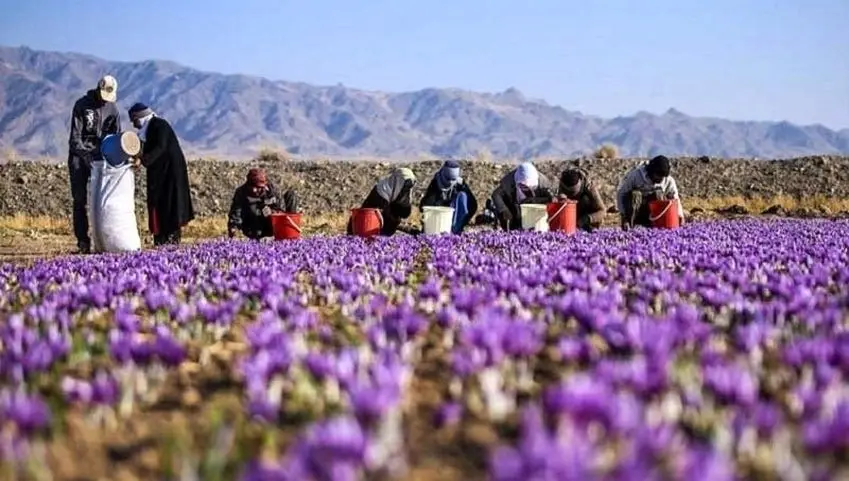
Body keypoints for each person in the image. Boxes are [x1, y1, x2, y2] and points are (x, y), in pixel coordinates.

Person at [67, 75, 122, 254]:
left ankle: (105, 240)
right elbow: (75, 138)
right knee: (80, 199)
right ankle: (83, 241)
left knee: (104, 201)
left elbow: (116, 138)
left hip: (101, 160)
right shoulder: (82, 105)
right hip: (79, 159)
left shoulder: (113, 109)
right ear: (98, 89)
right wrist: (86, 156)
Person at [128, 103, 195, 246]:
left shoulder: (159, 125)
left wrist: (143, 160)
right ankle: (161, 239)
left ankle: (171, 239)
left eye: (135, 121)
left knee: (170, 206)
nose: (134, 125)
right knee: (160, 205)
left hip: (170, 174)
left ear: (141, 118)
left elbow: (160, 147)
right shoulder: (151, 128)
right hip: (160, 174)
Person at [616, 155, 684, 230]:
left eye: (662, 176)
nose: (660, 178)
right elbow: (621, 193)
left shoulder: (668, 180)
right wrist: (623, 216)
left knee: (659, 193)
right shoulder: (636, 175)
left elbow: (675, 198)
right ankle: (631, 225)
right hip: (636, 210)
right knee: (635, 194)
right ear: (652, 170)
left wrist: (679, 215)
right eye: (658, 175)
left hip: (655, 213)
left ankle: (657, 225)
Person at [228, 168, 299, 240]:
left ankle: (286, 236)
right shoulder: (241, 192)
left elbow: (282, 210)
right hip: (251, 227)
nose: (254, 190)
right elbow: (235, 215)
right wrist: (234, 230)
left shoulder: (272, 190)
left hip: (271, 226)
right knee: (253, 210)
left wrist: (272, 213)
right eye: (252, 186)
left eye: (258, 187)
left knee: (292, 195)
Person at [347, 168, 417, 236]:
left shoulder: (396, 192)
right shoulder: (381, 191)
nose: (405, 189)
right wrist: (407, 229)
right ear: (399, 181)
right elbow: (384, 219)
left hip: (377, 229)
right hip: (364, 230)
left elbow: (403, 212)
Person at [419, 161, 478, 234]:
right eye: (448, 179)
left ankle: (455, 231)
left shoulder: (460, 184)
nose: (450, 182)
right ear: (443, 175)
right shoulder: (436, 183)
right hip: (438, 221)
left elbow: (473, 205)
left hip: (455, 220)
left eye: (453, 180)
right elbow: (425, 206)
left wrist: (464, 221)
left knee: (462, 196)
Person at [490, 162, 554, 231]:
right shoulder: (508, 182)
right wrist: (503, 210)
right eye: (524, 187)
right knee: (509, 222)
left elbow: (549, 199)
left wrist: (534, 200)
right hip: (513, 208)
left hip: (534, 213)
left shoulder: (542, 182)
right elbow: (496, 195)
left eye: (530, 188)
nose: (526, 190)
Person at [556, 168, 606, 232]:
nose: (571, 195)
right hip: (571, 217)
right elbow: (560, 197)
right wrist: (564, 200)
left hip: (587, 216)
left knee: (585, 199)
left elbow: (603, 211)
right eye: (568, 192)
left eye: (572, 193)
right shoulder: (564, 181)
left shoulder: (589, 186)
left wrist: (587, 218)